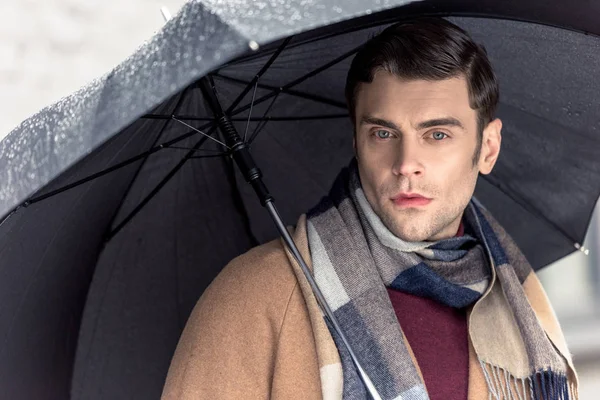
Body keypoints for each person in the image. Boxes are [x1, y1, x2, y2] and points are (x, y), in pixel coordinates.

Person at [161, 17, 578, 400]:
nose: (405, 164)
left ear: (487, 149)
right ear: (356, 142)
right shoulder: (252, 299)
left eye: (436, 135)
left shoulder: (520, 301)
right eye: (383, 133)